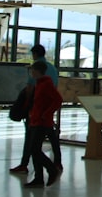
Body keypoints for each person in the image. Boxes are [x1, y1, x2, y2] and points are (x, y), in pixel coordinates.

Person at [11, 44, 62, 174]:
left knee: (31, 140)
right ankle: (57, 163)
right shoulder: (52, 68)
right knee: (52, 137)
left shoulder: (37, 69)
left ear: (34, 54)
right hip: (47, 110)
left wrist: (26, 107)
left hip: (38, 111)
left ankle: (26, 164)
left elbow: (29, 89)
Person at [24, 60, 63, 188]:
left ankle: (51, 169)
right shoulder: (39, 84)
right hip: (36, 120)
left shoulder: (46, 84)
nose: (31, 73)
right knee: (35, 150)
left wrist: (46, 114)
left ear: (36, 71)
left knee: (34, 149)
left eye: (32, 70)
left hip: (42, 122)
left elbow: (58, 100)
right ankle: (38, 178)